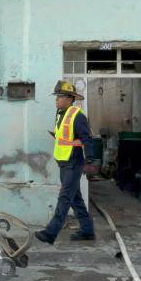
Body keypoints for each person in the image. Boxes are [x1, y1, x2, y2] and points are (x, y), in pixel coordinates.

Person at [35, 80, 97, 244]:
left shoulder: (77, 116)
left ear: (70, 99)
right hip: (64, 162)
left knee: (65, 198)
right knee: (75, 198)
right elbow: (63, 137)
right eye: (56, 97)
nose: (56, 100)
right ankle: (87, 231)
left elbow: (87, 138)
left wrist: (89, 160)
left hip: (73, 163)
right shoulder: (61, 114)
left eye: (60, 96)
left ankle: (50, 233)